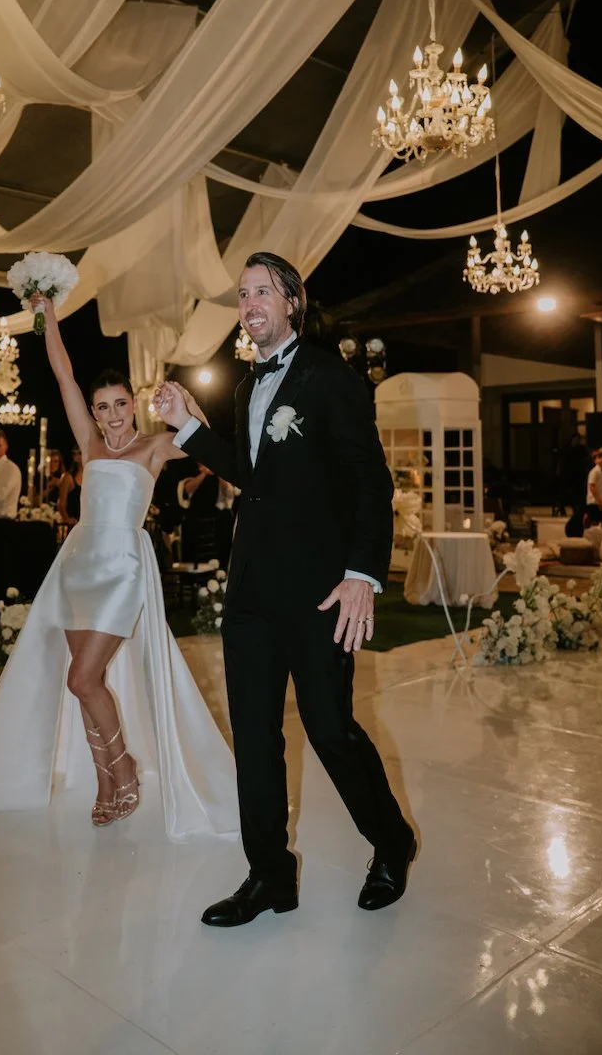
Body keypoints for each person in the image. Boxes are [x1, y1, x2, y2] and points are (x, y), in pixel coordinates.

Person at [155, 251, 415, 928]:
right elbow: (251, 472)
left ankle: (392, 843)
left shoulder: (331, 378)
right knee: (254, 735)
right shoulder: (245, 389)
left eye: (261, 292)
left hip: (321, 592)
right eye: (242, 295)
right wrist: (188, 427)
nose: (248, 305)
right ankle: (269, 874)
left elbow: (371, 486)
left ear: (294, 301)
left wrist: (362, 576)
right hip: (251, 594)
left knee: (330, 731)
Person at [0, 295, 239, 841]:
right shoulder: (89, 444)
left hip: (123, 567)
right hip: (79, 566)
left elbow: (207, 439)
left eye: (119, 404)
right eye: (102, 406)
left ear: (135, 404)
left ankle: (124, 767)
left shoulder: (154, 447)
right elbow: (63, 375)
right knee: (84, 681)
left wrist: (185, 400)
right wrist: (47, 316)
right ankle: (108, 782)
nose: (109, 415)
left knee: (82, 677)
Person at [585, 447, 602, 526]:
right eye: (600, 457)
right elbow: (592, 487)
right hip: (594, 503)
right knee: (594, 524)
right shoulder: (594, 472)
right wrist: (599, 502)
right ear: (595, 460)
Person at [58, 445, 83, 525]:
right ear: (76, 457)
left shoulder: (91, 477)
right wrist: (67, 519)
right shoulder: (68, 477)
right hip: (74, 524)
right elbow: (61, 504)